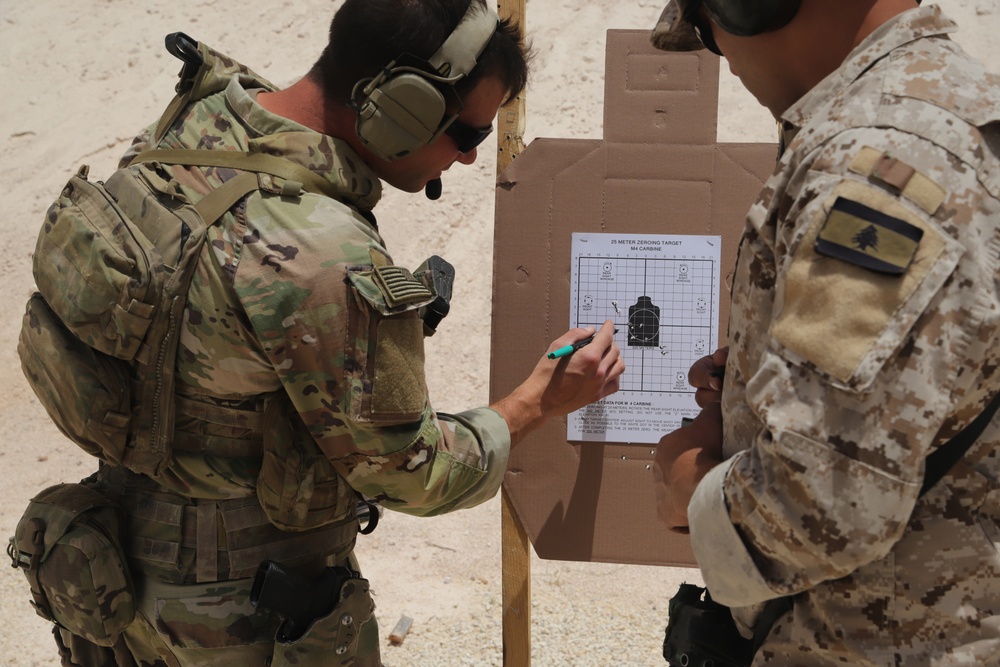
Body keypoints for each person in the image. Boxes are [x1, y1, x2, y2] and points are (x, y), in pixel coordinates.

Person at [28, 1, 625, 665]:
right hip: (237, 627)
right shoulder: (320, 253)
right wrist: (538, 401)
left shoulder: (200, 119)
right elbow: (413, 475)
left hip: (105, 584)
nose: (465, 160)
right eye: (466, 136)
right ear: (403, 105)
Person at [649, 0, 1000, 664]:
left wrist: (686, 483)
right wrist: (763, 383)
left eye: (708, 30)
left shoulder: (879, 159)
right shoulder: (961, 115)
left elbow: (826, 495)